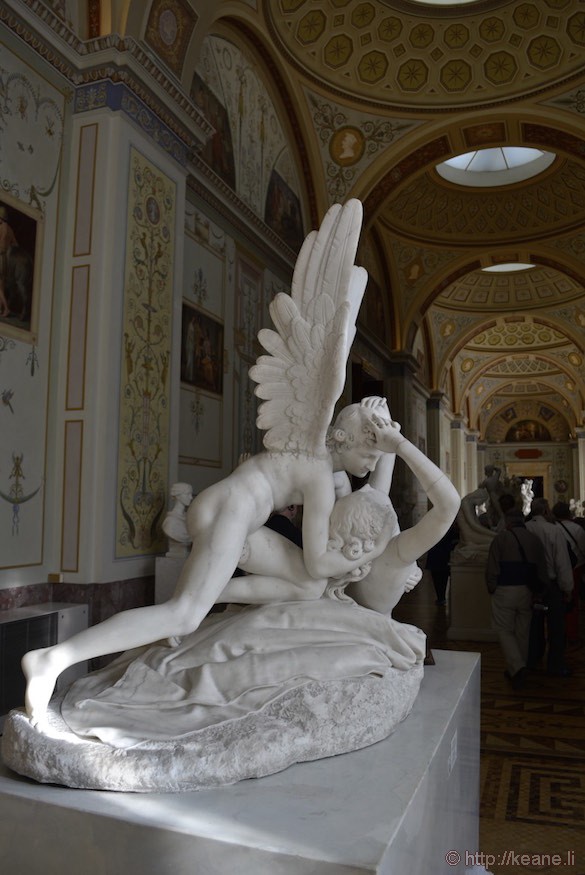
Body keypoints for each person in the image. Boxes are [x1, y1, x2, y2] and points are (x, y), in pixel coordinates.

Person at [486, 509, 548, 690]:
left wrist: (491, 586)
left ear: (508, 523)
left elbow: (492, 565)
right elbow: (541, 567)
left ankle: (517, 667)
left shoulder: (502, 538)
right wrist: (540, 591)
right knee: (523, 630)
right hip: (527, 590)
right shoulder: (534, 539)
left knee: (504, 629)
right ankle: (516, 667)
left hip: (505, 588)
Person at [526, 497, 574, 676]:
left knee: (533, 625)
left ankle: (532, 659)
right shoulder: (553, 530)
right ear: (546, 511)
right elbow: (561, 561)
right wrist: (567, 588)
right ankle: (555, 665)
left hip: (530, 585)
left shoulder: (526, 528)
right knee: (556, 627)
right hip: (551, 585)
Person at [552, 500, 585, 644]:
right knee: (573, 602)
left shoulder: (551, 528)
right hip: (575, 567)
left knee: (556, 602)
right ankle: (571, 633)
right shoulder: (577, 529)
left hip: (556, 568)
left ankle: (558, 633)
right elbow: (583, 549)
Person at [425, 522, 458, 605]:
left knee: (439, 580)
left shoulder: (434, 526)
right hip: (443, 555)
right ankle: (442, 598)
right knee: (441, 579)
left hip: (437, 556)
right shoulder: (451, 527)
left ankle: (441, 598)